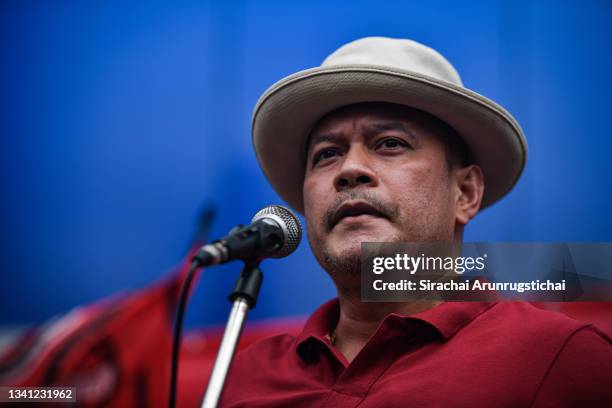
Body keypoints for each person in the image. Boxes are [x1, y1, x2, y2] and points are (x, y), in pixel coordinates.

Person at [220, 37, 612, 407]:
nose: (350, 169)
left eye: (390, 143)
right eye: (327, 154)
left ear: (465, 193)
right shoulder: (243, 375)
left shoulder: (561, 357)